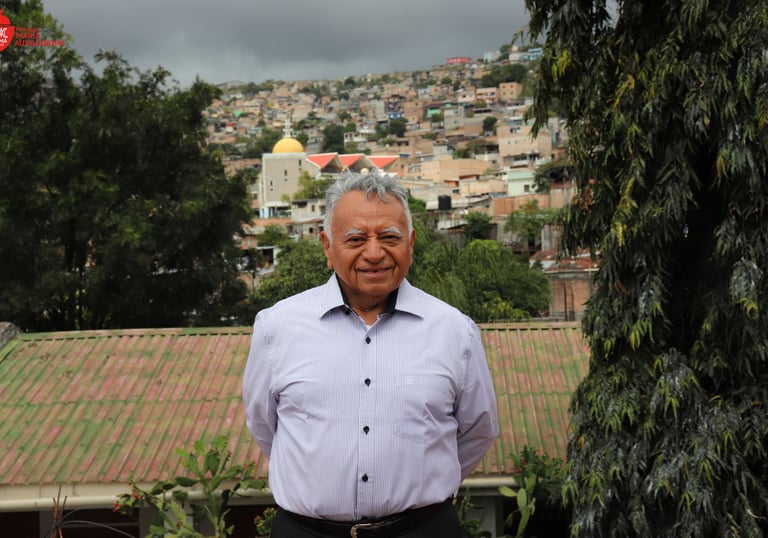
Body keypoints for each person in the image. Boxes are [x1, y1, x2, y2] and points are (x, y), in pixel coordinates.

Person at [243, 172, 499, 537]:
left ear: (410, 243)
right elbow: (264, 425)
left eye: (390, 237)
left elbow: (478, 431)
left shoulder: (454, 331)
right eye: (356, 239)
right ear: (327, 246)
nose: (375, 253)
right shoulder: (277, 328)